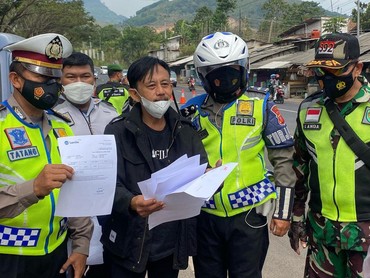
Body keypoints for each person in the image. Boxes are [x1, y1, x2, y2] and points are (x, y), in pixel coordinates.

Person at [181, 31, 296, 278]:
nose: (227, 80)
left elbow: (284, 160)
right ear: (203, 76)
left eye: (232, 71)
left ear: (245, 68)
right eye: (217, 75)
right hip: (204, 215)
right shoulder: (190, 111)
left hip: (248, 216)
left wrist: (283, 213)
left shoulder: (262, 104)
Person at [100, 56, 208, 278]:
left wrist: (209, 176)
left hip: (170, 244)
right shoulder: (117, 132)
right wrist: (130, 202)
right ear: (134, 94)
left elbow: (199, 173)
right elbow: (106, 183)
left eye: (165, 83)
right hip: (128, 242)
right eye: (151, 85)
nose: (161, 91)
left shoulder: (186, 131)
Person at [0, 33, 93, 277]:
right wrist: (33, 189)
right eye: (42, 77)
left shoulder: (62, 127)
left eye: (55, 77)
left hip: (57, 254)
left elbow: (76, 191)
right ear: (16, 80)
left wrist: (82, 246)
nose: (51, 85)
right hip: (9, 257)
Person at [288, 32, 370, 277]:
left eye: (334, 71)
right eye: (320, 71)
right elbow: (298, 169)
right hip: (322, 233)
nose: (325, 79)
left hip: (365, 235)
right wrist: (296, 218)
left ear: (357, 68)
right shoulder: (308, 109)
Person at [54, 52, 118, 278]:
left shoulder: (111, 113)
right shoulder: (52, 117)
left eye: (85, 76)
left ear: (94, 80)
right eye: (71, 77)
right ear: (60, 80)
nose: (79, 82)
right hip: (73, 217)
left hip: (110, 210)